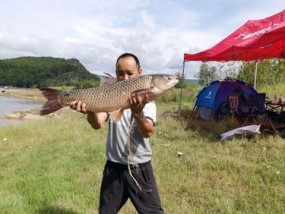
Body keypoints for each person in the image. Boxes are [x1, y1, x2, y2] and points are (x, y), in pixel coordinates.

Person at [70, 53, 164, 214]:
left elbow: (148, 132)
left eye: (130, 73)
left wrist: (137, 113)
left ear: (140, 73)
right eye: (120, 73)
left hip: (139, 168)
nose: (125, 78)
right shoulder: (110, 97)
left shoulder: (147, 102)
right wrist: (90, 111)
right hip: (113, 168)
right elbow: (97, 124)